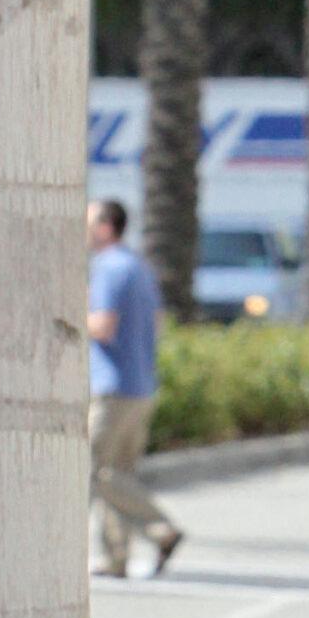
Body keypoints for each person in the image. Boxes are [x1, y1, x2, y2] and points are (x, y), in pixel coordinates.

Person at [87, 199, 183, 579]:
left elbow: (103, 326)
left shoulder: (108, 268)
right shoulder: (138, 267)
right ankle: (116, 557)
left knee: (94, 470)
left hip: (113, 388)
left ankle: (161, 530)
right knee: (117, 471)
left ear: (106, 227)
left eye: (89, 222)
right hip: (141, 384)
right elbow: (156, 322)